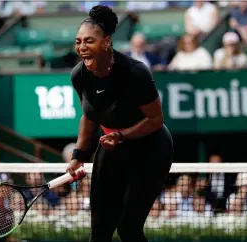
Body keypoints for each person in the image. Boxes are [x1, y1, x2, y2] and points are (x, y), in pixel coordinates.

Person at [66, 5, 174, 242]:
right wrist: (78, 155)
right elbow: (89, 115)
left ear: (106, 42)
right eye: (78, 42)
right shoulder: (79, 75)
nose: (82, 47)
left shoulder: (135, 73)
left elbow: (156, 119)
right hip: (111, 149)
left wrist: (121, 136)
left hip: (151, 150)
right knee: (100, 232)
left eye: (89, 41)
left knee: (128, 228)